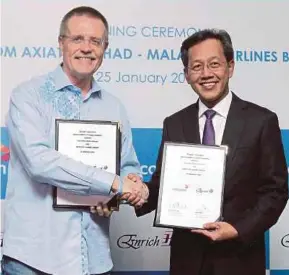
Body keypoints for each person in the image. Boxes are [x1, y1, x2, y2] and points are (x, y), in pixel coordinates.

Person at [2, 6, 148, 275]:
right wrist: (114, 183)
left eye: (96, 41)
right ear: (61, 43)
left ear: (105, 47)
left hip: (94, 258)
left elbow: (128, 166)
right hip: (33, 260)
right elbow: (40, 162)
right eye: (77, 39)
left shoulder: (114, 107)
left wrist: (129, 190)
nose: (87, 48)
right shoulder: (28, 96)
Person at [136, 29, 288, 275]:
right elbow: (163, 184)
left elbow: (276, 190)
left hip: (239, 259)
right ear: (186, 75)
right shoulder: (174, 123)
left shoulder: (261, 121)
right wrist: (138, 192)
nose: (206, 74)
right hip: (187, 259)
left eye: (214, 64)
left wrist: (238, 229)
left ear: (230, 66)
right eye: (196, 66)